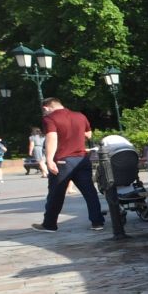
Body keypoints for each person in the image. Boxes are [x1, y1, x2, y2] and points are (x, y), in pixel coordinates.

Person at [31, 98, 104, 231]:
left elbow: (51, 138)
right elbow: (88, 134)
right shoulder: (80, 116)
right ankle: (97, 222)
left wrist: (49, 159)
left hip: (62, 161)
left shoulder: (50, 119)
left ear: (46, 108)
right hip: (81, 159)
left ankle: (49, 224)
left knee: (56, 193)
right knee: (90, 192)